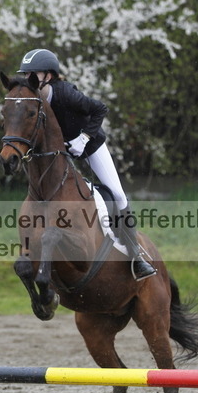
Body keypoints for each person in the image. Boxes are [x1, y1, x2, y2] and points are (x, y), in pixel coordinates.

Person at [17, 48, 156, 281]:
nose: (27, 79)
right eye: (25, 74)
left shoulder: (65, 93)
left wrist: (83, 138)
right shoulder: (33, 100)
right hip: (63, 152)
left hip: (90, 146)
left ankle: (136, 255)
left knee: (118, 195)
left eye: (33, 74)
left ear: (48, 76)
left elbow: (100, 109)